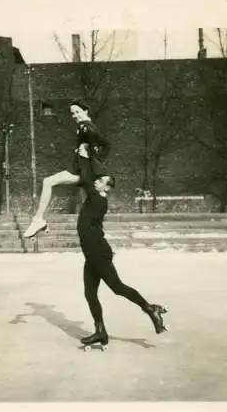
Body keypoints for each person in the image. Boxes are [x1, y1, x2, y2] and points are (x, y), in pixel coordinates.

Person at [76, 154, 167, 350]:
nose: (97, 181)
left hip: (98, 253)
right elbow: (88, 178)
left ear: (107, 188)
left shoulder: (98, 199)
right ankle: (100, 331)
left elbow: (85, 178)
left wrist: (83, 155)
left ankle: (151, 309)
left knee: (117, 287)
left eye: (102, 181)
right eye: (98, 180)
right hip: (92, 255)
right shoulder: (94, 197)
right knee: (90, 293)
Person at [23, 101, 111, 238]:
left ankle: (39, 219)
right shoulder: (84, 127)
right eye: (72, 113)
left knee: (48, 182)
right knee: (86, 206)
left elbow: (101, 143)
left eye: (77, 112)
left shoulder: (86, 126)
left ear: (86, 111)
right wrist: (90, 151)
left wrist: (92, 153)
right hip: (79, 170)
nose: (75, 115)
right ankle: (39, 220)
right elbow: (106, 144)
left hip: (82, 172)